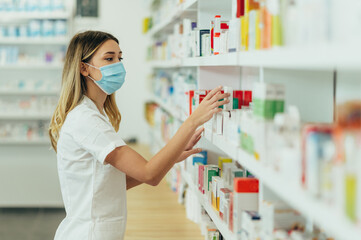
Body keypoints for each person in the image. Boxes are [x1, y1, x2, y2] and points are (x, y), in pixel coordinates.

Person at [49, 30, 230, 240]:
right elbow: (149, 174)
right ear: (83, 68)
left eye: (120, 58)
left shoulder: (93, 113)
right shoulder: (86, 119)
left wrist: (172, 157)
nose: (118, 65)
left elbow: (114, 185)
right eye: (109, 58)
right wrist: (193, 120)